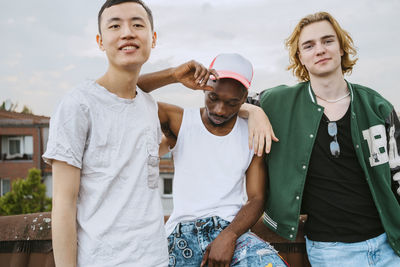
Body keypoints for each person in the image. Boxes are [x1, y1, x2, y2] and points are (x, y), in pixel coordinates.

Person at [42, 1, 216, 266]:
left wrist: (254, 112)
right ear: (100, 41)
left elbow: (134, 145)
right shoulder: (78, 105)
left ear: (153, 38)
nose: (127, 33)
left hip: (156, 258)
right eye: (115, 26)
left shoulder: (147, 105)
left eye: (137, 24)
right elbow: (64, 205)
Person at [247, 11, 400, 266]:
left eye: (328, 41)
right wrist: (252, 110)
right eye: (309, 45)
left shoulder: (376, 106)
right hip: (331, 251)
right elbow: (225, 102)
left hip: (388, 245)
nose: (320, 50)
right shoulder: (278, 102)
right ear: (300, 58)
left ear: (341, 48)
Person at [138, 53, 287, 267]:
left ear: (244, 99)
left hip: (230, 229)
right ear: (205, 86)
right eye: (213, 98)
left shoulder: (252, 133)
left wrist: (229, 235)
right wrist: (173, 75)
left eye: (231, 103)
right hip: (180, 231)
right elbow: (126, 93)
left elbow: (256, 198)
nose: (219, 110)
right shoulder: (180, 121)